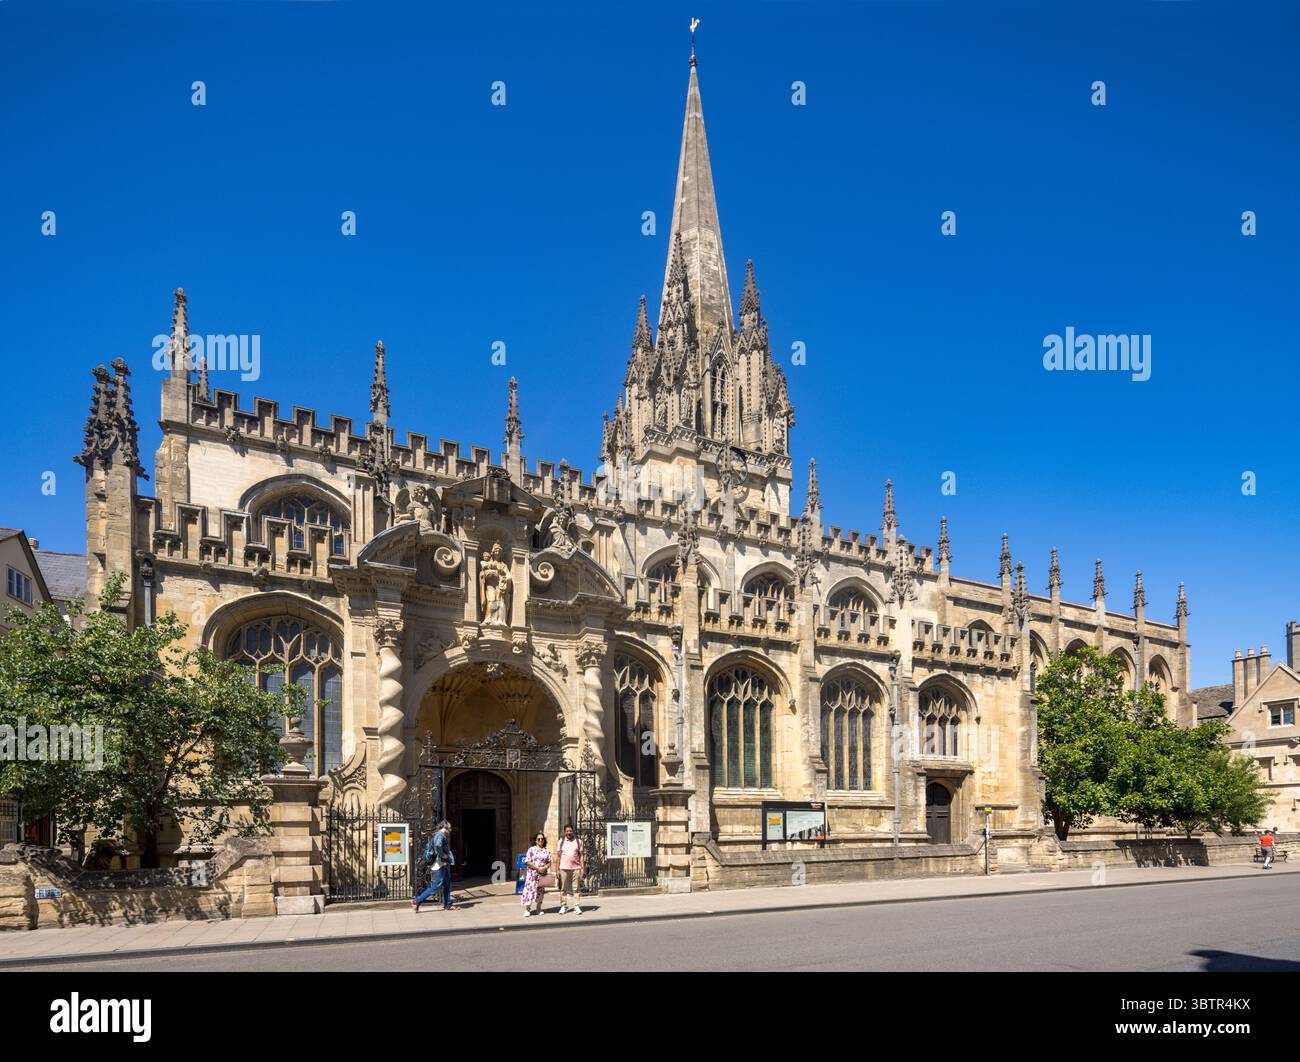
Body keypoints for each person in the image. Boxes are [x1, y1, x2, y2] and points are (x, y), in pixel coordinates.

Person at [413, 821, 457, 911]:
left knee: (447, 885)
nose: (450, 830)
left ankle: (447, 904)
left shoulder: (441, 835)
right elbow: (437, 845)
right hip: (439, 866)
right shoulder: (440, 835)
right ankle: (417, 900)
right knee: (435, 887)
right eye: (450, 828)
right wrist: (443, 855)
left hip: (443, 865)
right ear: (445, 827)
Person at [556, 823, 585, 915]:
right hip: (563, 868)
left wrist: (582, 868)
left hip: (576, 868)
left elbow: (581, 856)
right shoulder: (560, 842)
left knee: (576, 889)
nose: (569, 833)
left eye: (570, 831)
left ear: (573, 831)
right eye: (567, 831)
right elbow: (558, 857)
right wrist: (557, 869)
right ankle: (563, 906)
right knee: (563, 888)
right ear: (564, 832)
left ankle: (576, 906)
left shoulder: (578, 841)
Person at [521, 832, 552, 916]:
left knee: (540, 892)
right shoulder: (531, 849)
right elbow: (527, 861)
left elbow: (549, 862)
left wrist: (545, 867)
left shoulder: (546, 851)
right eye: (539, 839)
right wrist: (537, 868)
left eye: (542, 839)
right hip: (532, 874)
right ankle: (527, 909)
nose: (540, 840)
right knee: (529, 891)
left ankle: (538, 908)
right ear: (535, 840)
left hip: (542, 874)